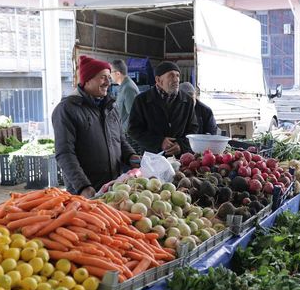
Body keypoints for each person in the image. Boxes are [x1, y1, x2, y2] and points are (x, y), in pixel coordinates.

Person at [52, 55, 140, 198]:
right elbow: (65, 153)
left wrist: (131, 156)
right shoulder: (67, 109)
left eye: (108, 77)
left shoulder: (110, 107)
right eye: (103, 77)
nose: (108, 82)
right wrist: (83, 186)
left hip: (113, 188)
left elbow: (120, 140)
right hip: (85, 192)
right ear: (87, 80)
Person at [128, 61, 198, 156]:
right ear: (158, 80)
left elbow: (193, 129)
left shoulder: (187, 101)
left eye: (177, 75)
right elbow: (134, 130)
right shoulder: (142, 100)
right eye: (171, 75)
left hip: (180, 159)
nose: (176, 79)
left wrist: (181, 145)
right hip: (152, 158)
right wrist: (159, 142)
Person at [111, 59, 139, 133]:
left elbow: (133, 116)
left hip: (127, 136)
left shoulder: (128, 88)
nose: (110, 75)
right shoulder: (123, 87)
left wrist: (121, 131)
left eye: (111, 72)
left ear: (117, 74)